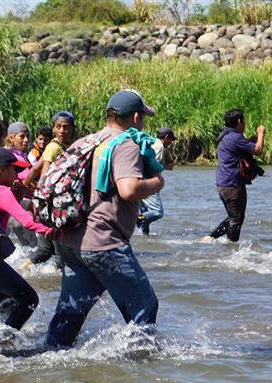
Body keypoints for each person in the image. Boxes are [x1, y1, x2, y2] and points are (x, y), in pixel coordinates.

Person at [46, 89, 164, 349]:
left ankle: (51, 358)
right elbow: (128, 189)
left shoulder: (84, 142)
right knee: (144, 306)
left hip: (71, 242)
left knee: (70, 315)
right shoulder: (126, 144)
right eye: (143, 117)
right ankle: (139, 369)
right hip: (104, 243)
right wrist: (157, 182)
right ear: (135, 117)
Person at [0, 147, 53, 335]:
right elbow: (27, 221)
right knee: (29, 299)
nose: (18, 175)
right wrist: (52, 232)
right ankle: (2, 341)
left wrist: (17, 197)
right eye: (14, 170)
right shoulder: (1, 192)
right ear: (2, 170)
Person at [21, 112, 75, 271]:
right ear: (53, 129)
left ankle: (20, 270)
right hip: (52, 207)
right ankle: (55, 284)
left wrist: (21, 190)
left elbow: (34, 170)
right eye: (58, 127)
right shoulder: (54, 147)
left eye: (66, 127)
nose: (62, 130)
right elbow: (44, 177)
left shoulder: (58, 147)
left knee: (45, 250)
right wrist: (42, 203)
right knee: (61, 254)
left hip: (46, 205)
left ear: (72, 129)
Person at [206, 108, 265, 242]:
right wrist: (261, 133)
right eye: (244, 121)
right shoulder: (235, 137)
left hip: (223, 184)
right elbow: (258, 150)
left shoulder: (224, 136)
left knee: (234, 217)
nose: (245, 124)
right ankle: (230, 248)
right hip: (232, 185)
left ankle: (211, 238)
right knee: (236, 219)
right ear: (239, 122)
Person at [137, 127, 175, 235]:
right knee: (157, 212)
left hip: (140, 181)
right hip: (149, 182)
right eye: (171, 140)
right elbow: (152, 166)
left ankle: (142, 239)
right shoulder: (159, 146)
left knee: (145, 219)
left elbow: (165, 166)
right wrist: (156, 183)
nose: (171, 142)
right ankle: (136, 218)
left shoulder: (153, 144)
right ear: (166, 137)